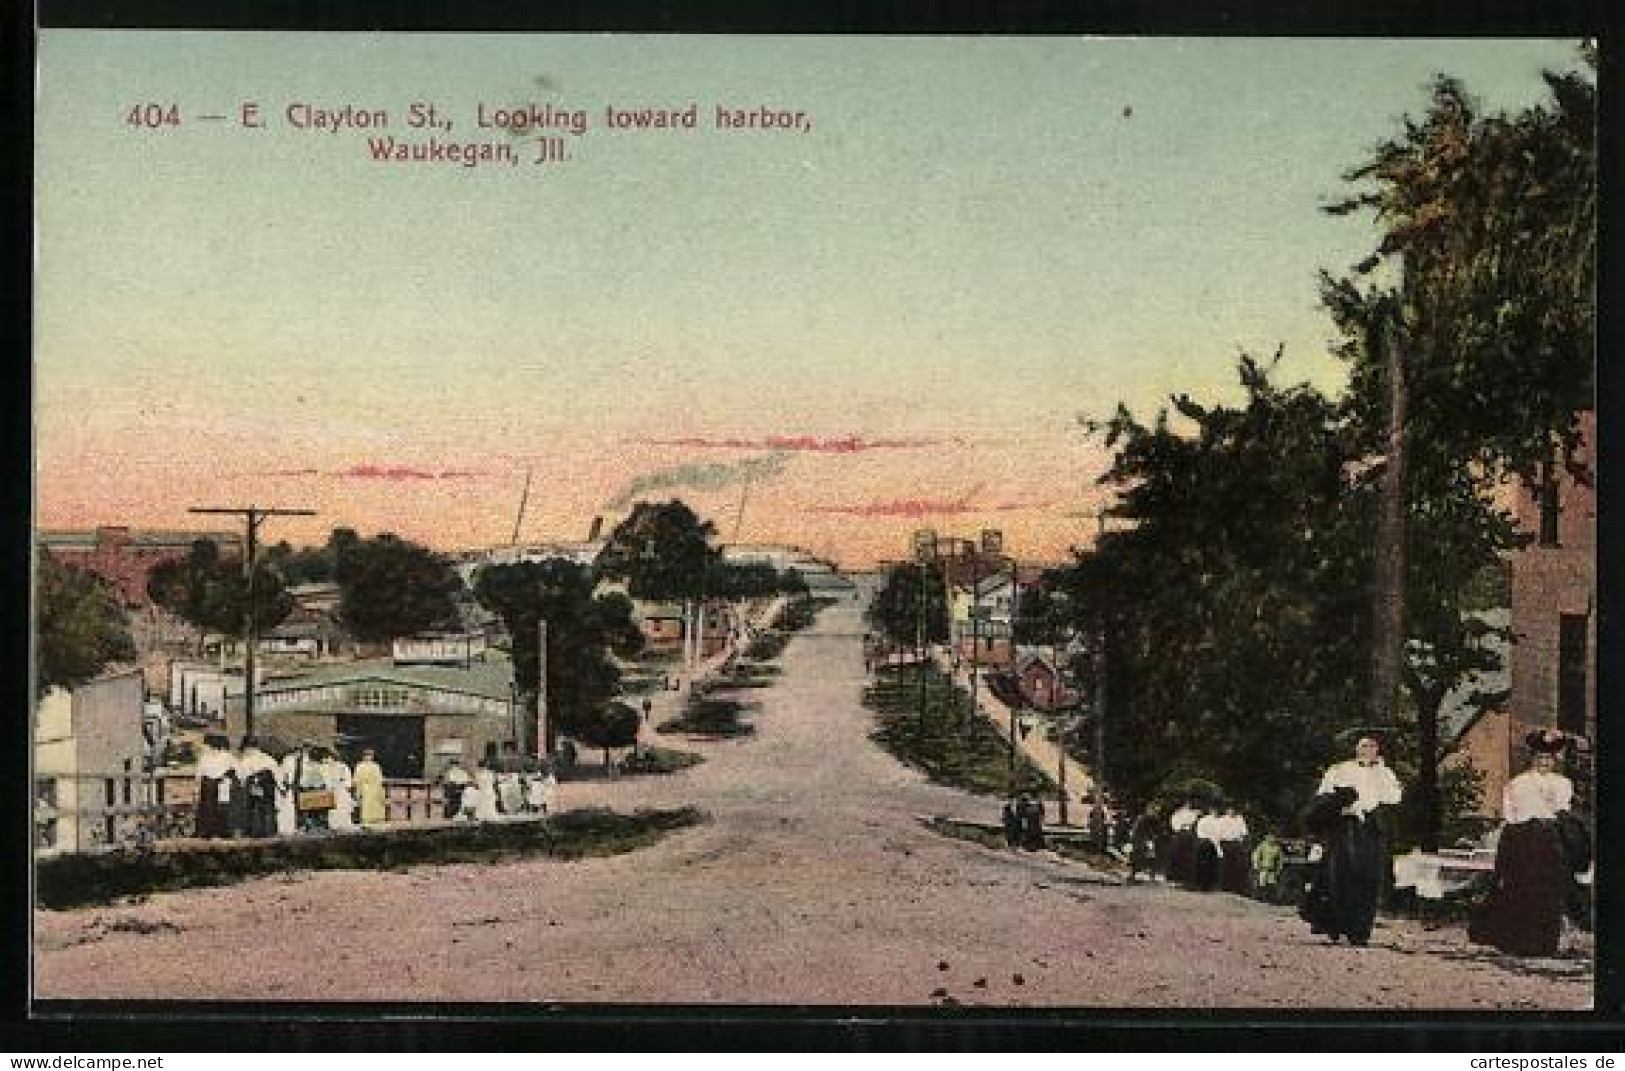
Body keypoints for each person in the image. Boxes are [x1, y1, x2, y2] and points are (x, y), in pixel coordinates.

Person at [1469, 729, 1582, 958]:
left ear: (1555, 760)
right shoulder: (1518, 783)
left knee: (1548, 892)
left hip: (1550, 838)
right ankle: (1521, 942)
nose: (1544, 763)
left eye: (1549, 758)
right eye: (1540, 758)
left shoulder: (1562, 784)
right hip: (1523, 838)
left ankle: (1546, 944)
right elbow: (1510, 814)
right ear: (1532, 758)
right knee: (1522, 888)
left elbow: (1564, 812)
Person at [1300, 733, 1404, 946]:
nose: (1368, 750)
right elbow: (1324, 797)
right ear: (1356, 749)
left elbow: (1394, 798)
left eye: (1372, 746)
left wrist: (1376, 810)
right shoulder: (1341, 770)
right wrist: (1340, 805)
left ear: (1378, 749)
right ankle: (1336, 924)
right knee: (1339, 877)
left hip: (1370, 830)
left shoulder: (1386, 774)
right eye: (1364, 746)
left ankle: (1360, 931)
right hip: (1344, 828)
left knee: (1367, 878)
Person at [193, 733, 236, 839]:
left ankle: (222, 831)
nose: (204, 747)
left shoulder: (227, 756)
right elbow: (199, 773)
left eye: (205, 745)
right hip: (207, 786)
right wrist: (197, 788)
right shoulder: (204, 758)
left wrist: (228, 780)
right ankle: (206, 831)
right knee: (207, 808)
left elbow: (236, 771)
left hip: (222, 785)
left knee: (222, 808)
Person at [237, 736, 280, 838]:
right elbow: (278, 775)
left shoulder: (246, 760)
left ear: (248, 748)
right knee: (268, 808)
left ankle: (254, 831)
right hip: (268, 786)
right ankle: (269, 830)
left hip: (252, 785)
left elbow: (241, 776)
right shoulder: (269, 759)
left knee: (252, 808)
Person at [1167, 798, 1201, 888]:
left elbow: (1192, 821)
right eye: (1185, 804)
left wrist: (1187, 824)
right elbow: (1174, 824)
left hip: (1189, 835)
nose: (1187, 806)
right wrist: (1181, 826)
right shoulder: (1177, 814)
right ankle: (1176, 879)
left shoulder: (1192, 813)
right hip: (1180, 834)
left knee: (1188, 857)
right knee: (1177, 856)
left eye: (1188, 804)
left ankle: (1186, 880)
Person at [1217, 807, 1251, 894]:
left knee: (1236, 865)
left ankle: (1234, 887)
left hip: (1236, 844)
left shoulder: (1239, 819)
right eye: (1229, 809)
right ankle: (1223, 886)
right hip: (1225, 842)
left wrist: (1241, 840)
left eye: (1233, 809)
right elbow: (1218, 833)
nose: (1231, 811)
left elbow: (1244, 832)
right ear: (1226, 810)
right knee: (1225, 865)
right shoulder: (1222, 820)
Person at [322, 747, 355, 832]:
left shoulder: (343, 767)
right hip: (332, 791)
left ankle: (344, 824)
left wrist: (342, 784)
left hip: (342, 790)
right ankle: (334, 825)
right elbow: (325, 779)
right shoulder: (325, 768)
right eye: (327, 758)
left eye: (330, 758)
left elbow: (348, 779)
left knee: (343, 807)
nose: (329, 760)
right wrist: (330, 785)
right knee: (333, 809)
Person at [354, 747, 387, 827]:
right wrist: (358, 790)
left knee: (376, 804)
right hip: (365, 788)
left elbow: (379, 779)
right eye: (367, 755)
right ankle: (366, 821)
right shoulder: (360, 766)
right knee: (366, 805)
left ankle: (377, 820)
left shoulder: (376, 766)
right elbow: (357, 779)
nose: (368, 757)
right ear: (363, 756)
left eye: (370, 755)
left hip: (375, 787)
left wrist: (380, 789)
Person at [1194, 808, 1225, 892]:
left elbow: (1222, 833)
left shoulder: (1220, 821)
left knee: (1213, 865)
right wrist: (1207, 840)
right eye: (1214, 811)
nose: (1215, 812)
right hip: (1205, 845)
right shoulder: (1204, 820)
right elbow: (1199, 831)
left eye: (1217, 811)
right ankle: (1201, 884)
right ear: (1211, 811)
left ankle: (1211, 885)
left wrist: (1218, 840)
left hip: (1215, 844)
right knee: (1203, 864)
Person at [1251, 832, 1285, 902]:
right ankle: (1260, 899)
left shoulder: (1277, 848)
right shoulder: (1262, 846)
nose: (1271, 838)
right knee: (1262, 884)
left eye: (1273, 837)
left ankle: (1270, 900)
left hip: (1272, 870)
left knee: (1271, 885)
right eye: (1270, 836)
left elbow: (1280, 860)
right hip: (1263, 868)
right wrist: (1256, 865)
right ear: (1266, 837)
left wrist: (1279, 869)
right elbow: (1256, 855)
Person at [1128, 811, 1161, 884]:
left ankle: (1150, 876)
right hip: (1141, 839)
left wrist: (1153, 837)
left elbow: (1155, 831)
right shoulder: (1142, 819)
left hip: (1145, 839)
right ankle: (1133, 875)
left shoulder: (1151, 819)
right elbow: (1135, 831)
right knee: (1141, 857)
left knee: (1149, 857)